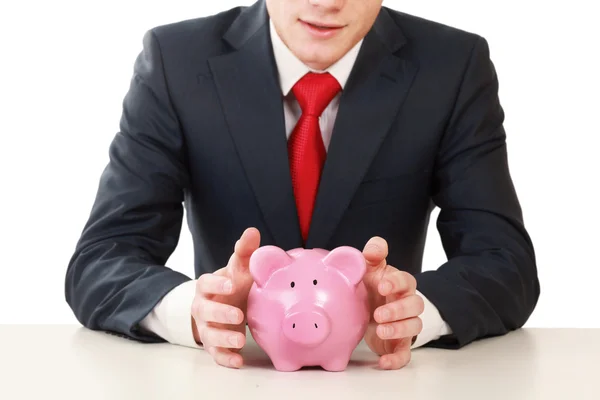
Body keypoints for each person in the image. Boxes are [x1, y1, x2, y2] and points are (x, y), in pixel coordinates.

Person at [65, 0, 540, 370]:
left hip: (380, 379)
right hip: (226, 377)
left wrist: (410, 312)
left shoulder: (452, 67)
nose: (326, 3)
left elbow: (505, 263)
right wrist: (196, 311)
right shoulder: (175, 61)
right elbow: (101, 260)